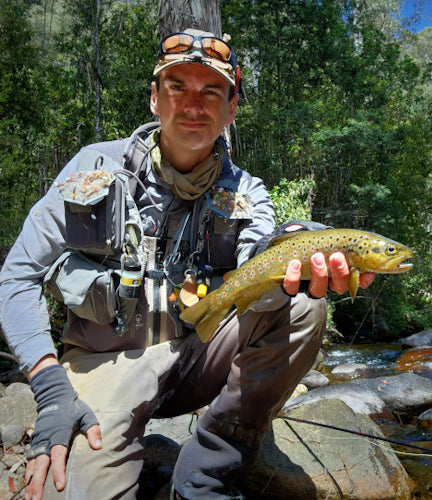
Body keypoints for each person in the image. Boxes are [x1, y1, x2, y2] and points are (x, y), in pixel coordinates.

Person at [0, 28, 374, 499]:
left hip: (199, 357)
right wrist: (48, 385)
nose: (193, 104)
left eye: (211, 91)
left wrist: (294, 253)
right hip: (105, 363)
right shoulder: (93, 167)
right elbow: (18, 274)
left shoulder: (246, 193)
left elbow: (260, 267)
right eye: (177, 87)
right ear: (155, 99)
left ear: (231, 108)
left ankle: (207, 469)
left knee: (302, 308)